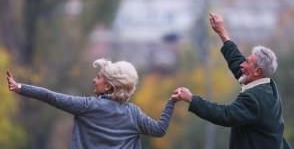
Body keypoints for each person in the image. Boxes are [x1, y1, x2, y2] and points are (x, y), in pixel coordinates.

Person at [172, 12, 290, 149]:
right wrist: (222, 33)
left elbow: (225, 115)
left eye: (247, 62)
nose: (242, 65)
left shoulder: (254, 98)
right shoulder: (267, 85)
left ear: (258, 71)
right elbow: (237, 62)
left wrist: (192, 99)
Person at [6, 58, 176, 149]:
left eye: (99, 77)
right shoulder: (134, 114)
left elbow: (52, 97)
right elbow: (160, 130)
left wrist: (20, 87)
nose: (94, 80)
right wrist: (172, 102)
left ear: (109, 85)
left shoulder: (87, 106)